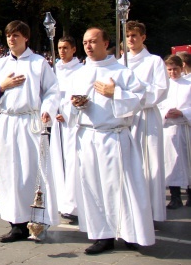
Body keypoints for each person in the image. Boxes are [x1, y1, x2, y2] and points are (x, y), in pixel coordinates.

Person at [66, 27, 154, 254]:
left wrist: (116, 93)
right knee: (93, 187)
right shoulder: (78, 73)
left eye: (93, 41)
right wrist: (76, 105)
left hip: (115, 136)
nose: (88, 46)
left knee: (123, 187)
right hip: (87, 137)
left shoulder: (122, 72)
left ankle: (131, 233)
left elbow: (141, 99)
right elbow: (65, 105)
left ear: (106, 44)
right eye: (85, 42)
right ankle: (102, 235)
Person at [0, 20, 59, 243]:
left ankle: (34, 219)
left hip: (30, 121)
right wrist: (2, 87)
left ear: (25, 38)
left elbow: (53, 91)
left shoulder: (38, 63)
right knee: (8, 173)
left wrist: (47, 110)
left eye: (16, 35)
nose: (11, 39)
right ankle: (15, 223)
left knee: (29, 171)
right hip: (8, 121)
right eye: (8, 35)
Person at [122, 21, 168, 222]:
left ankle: (151, 211)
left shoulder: (154, 61)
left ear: (143, 37)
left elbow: (160, 89)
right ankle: (131, 210)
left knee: (150, 163)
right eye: (128, 36)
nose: (131, 40)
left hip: (146, 116)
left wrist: (136, 97)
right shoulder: (120, 62)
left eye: (134, 35)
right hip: (126, 117)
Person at [49, 35, 83, 223]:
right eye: (60, 48)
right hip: (57, 123)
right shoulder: (55, 70)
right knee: (58, 161)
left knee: (72, 163)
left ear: (73, 49)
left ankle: (74, 204)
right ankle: (62, 202)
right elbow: (49, 94)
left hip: (73, 124)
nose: (62, 51)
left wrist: (68, 112)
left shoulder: (81, 70)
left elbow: (80, 96)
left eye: (65, 48)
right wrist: (53, 111)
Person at [158, 55, 191, 209]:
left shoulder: (189, 84)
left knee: (188, 162)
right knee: (171, 164)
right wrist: (166, 113)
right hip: (169, 129)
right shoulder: (164, 87)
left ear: (182, 67)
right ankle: (175, 197)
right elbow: (157, 106)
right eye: (169, 70)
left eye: (175, 69)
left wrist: (183, 112)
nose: (173, 73)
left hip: (185, 129)